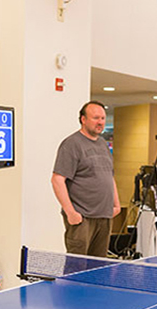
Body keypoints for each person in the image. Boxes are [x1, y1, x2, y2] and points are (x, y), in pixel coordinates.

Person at [52, 101, 121, 257]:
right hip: (82, 218)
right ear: (83, 119)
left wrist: (116, 205)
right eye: (96, 118)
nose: (100, 122)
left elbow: (109, 176)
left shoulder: (103, 144)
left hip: (104, 217)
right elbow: (57, 180)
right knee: (77, 269)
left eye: (103, 118)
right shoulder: (71, 144)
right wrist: (71, 213)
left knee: (98, 269)